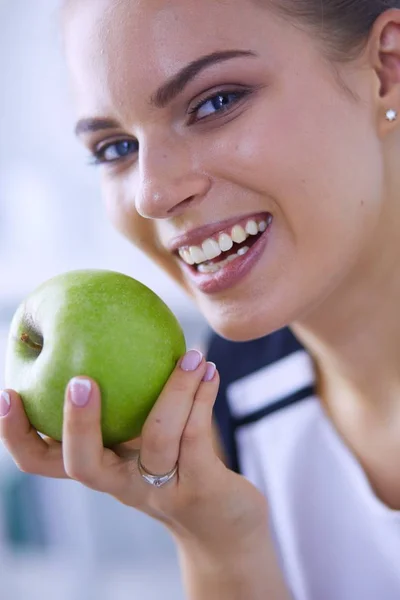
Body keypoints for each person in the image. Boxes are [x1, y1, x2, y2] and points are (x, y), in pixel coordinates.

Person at [1, 0, 400, 597]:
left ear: (388, 67)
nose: (152, 195)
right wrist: (213, 535)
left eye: (215, 102)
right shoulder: (229, 398)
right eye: (116, 149)